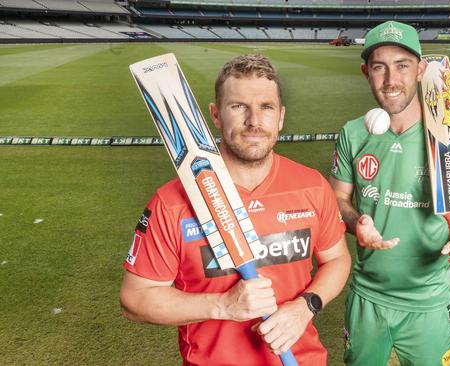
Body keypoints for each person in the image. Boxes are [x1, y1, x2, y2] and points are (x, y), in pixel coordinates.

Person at [120, 54, 351, 366]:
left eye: (266, 107)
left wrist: (306, 306)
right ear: (216, 115)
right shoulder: (171, 202)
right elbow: (135, 299)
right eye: (238, 106)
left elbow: (337, 259)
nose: (254, 120)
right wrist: (222, 305)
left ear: (280, 116)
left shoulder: (312, 186)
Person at [329, 21, 450, 366]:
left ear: (420, 70)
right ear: (366, 73)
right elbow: (338, 199)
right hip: (367, 299)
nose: (391, 80)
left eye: (402, 66)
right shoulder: (352, 134)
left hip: (429, 303)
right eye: (380, 67)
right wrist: (355, 221)